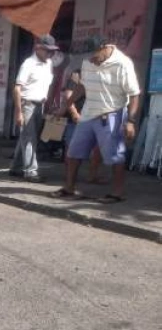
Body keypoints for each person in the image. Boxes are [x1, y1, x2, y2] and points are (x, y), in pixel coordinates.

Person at [54, 36, 141, 204]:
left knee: (115, 156)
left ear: (105, 47)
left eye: (94, 55)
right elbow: (82, 86)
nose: (91, 59)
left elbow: (134, 94)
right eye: (89, 56)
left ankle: (117, 193)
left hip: (111, 115)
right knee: (73, 153)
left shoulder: (123, 63)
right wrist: (66, 106)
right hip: (87, 114)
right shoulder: (88, 62)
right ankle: (69, 188)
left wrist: (131, 121)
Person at [9, 34, 59, 183]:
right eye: (47, 50)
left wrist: (48, 103)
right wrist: (18, 113)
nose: (50, 54)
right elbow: (17, 89)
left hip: (39, 105)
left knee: (27, 137)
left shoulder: (48, 63)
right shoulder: (28, 64)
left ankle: (16, 167)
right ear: (38, 48)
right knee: (30, 139)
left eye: (52, 51)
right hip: (27, 104)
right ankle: (31, 171)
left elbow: (48, 84)